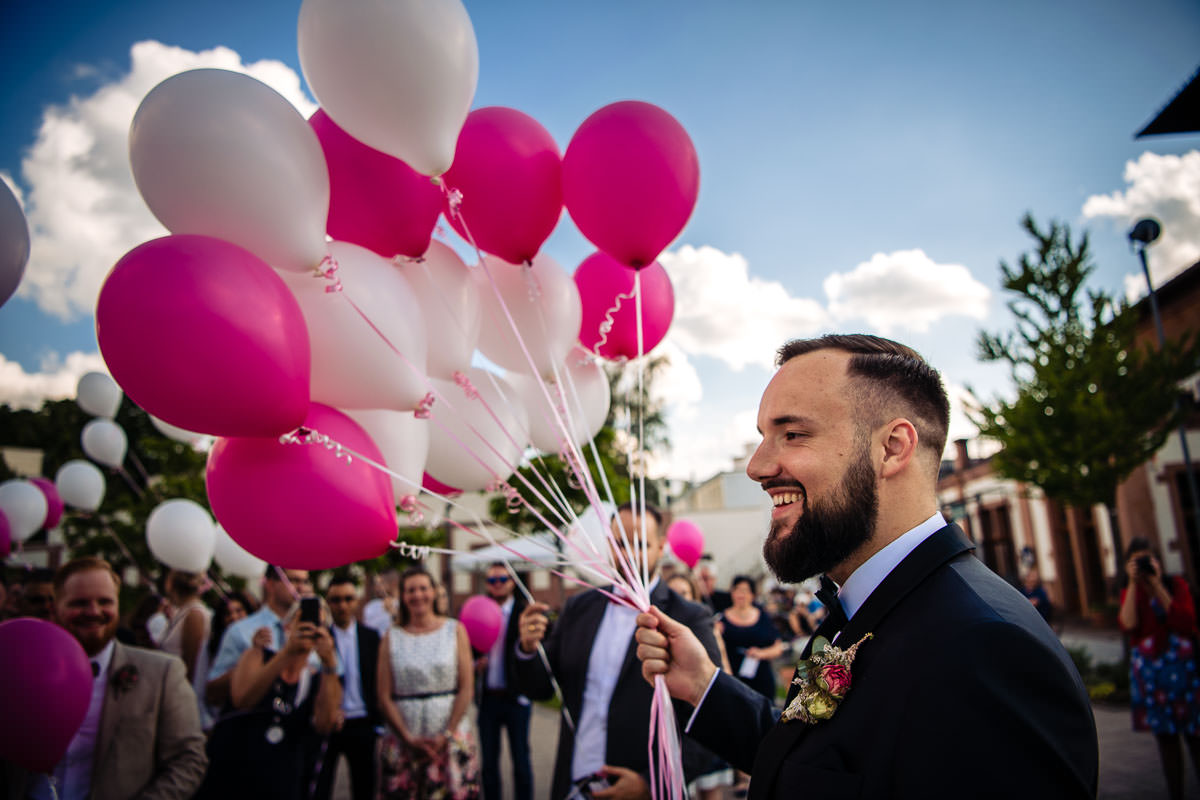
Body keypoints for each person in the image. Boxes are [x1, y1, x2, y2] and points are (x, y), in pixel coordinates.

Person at [634, 334, 1098, 798]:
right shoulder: (869, 607)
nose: (757, 467)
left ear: (893, 448)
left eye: (793, 434)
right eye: (763, 438)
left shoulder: (987, 652)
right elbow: (824, 767)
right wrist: (703, 686)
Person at [514, 503, 722, 800]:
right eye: (620, 543)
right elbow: (541, 688)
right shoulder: (579, 608)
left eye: (640, 544)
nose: (628, 554)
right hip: (572, 784)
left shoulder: (689, 617)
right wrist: (527, 649)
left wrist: (649, 784)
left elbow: (710, 722)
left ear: (661, 547)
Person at [50, 556, 207, 799]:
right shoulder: (22, 669)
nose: (94, 612)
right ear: (55, 608)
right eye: (79, 603)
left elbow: (188, 760)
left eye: (105, 601)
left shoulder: (161, 674)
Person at [198, 599, 343, 800]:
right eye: (302, 622)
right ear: (286, 626)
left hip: (284, 779)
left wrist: (330, 665)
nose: (310, 629)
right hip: (236, 771)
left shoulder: (316, 678)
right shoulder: (257, 655)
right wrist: (286, 653)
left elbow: (324, 724)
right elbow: (243, 699)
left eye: (318, 625)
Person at [377, 566, 480, 799]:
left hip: (449, 738)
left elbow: (466, 687)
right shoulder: (391, 636)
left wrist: (447, 734)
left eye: (423, 588)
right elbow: (383, 694)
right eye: (410, 590)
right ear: (402, 596)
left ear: (433, 592)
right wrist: (407, 737)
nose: (417, 595)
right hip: (404, 740)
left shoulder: (454, 630)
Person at [1118, 537, 1200, 800]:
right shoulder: (1130, 592)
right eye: (1137, 561)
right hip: (1153, 677)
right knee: (1166, 740)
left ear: (1158, 559)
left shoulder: (1175, 585)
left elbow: (1185, 622)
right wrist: (1133, 583)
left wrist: (1156, 583)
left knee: (1195, 736)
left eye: (1148, 559)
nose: (1144, 565)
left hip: (1184, 672)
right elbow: (1128, 624)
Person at [312, 575, 380, 800]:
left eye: (348, 599)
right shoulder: (320, 638)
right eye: (336, 599)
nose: (342, 605)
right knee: (321, 787)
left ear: (356, 600)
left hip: (362, 721)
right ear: (328, 602)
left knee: (364, 787)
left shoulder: (371, 637)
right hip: (330, 723)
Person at [207, 566, 314, 707]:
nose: (301, 588)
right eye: (293, 580)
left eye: (305, 582)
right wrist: (251, 664)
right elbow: (212, 692)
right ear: (270, 584)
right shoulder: (241, 630)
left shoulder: (311, 631)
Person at [476, 562, 533, 800]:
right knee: (488, 761)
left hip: (516, 698)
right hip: (488, 697)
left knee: (520, 759)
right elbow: (468, 650)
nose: (496, 585)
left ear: (512, 582)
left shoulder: (524, 613)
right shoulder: (478, 612)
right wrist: (474, 664)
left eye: (502, 579)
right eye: (491, 580)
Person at [158, 570, 213, 724]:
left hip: (182, 701)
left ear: (170, 584)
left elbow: (190, 664)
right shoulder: (183, 612)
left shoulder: (194, 615)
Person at [719, 575, 785, 702]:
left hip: (762, 679)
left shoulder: (763, 616)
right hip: (735, 681)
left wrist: (760, 653)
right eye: (737, 590)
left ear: (752, 595)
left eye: (745, 590)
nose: (741, 594)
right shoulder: (721, 621)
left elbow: (778, 647)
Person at [363, 569, 399, 638]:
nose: (377, 587)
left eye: (381, 582)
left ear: (394, 582)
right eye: (376, 583)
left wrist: (393, 613)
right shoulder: (372, 606)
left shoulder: (406, 604)